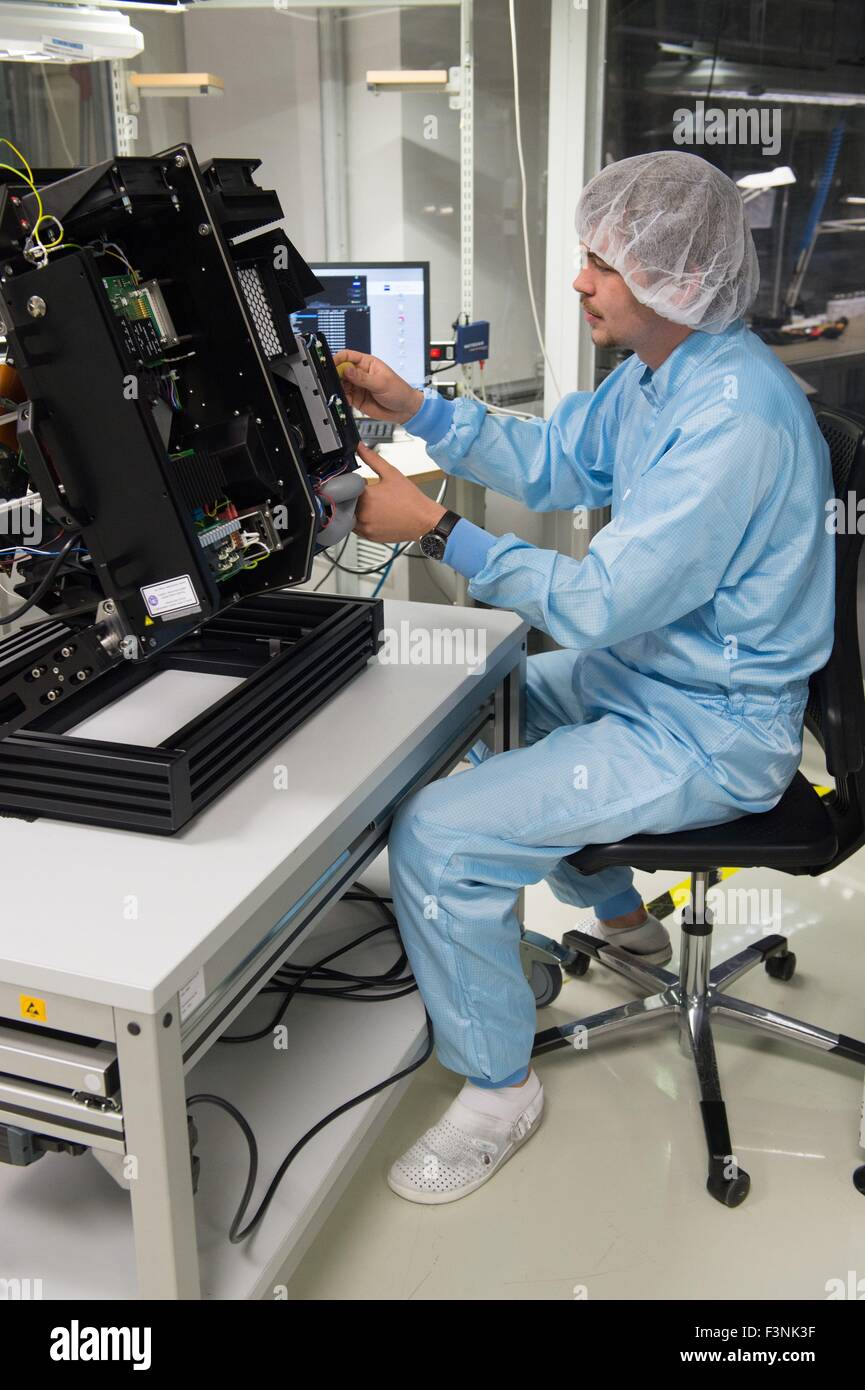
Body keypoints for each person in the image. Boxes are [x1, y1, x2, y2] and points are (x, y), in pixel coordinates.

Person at [334, 151, 835, 1206]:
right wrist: (416, 408)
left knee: (440, 830)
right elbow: (558, 460)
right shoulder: (664, 373)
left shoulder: (734, 416)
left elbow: (601, 601)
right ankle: (617, 916)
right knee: (466, 705)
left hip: (712, 727)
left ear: (671, 276)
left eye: (600, 263)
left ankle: (497, 1088)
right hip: (648, 676)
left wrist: (439, 531)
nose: (579, 283)